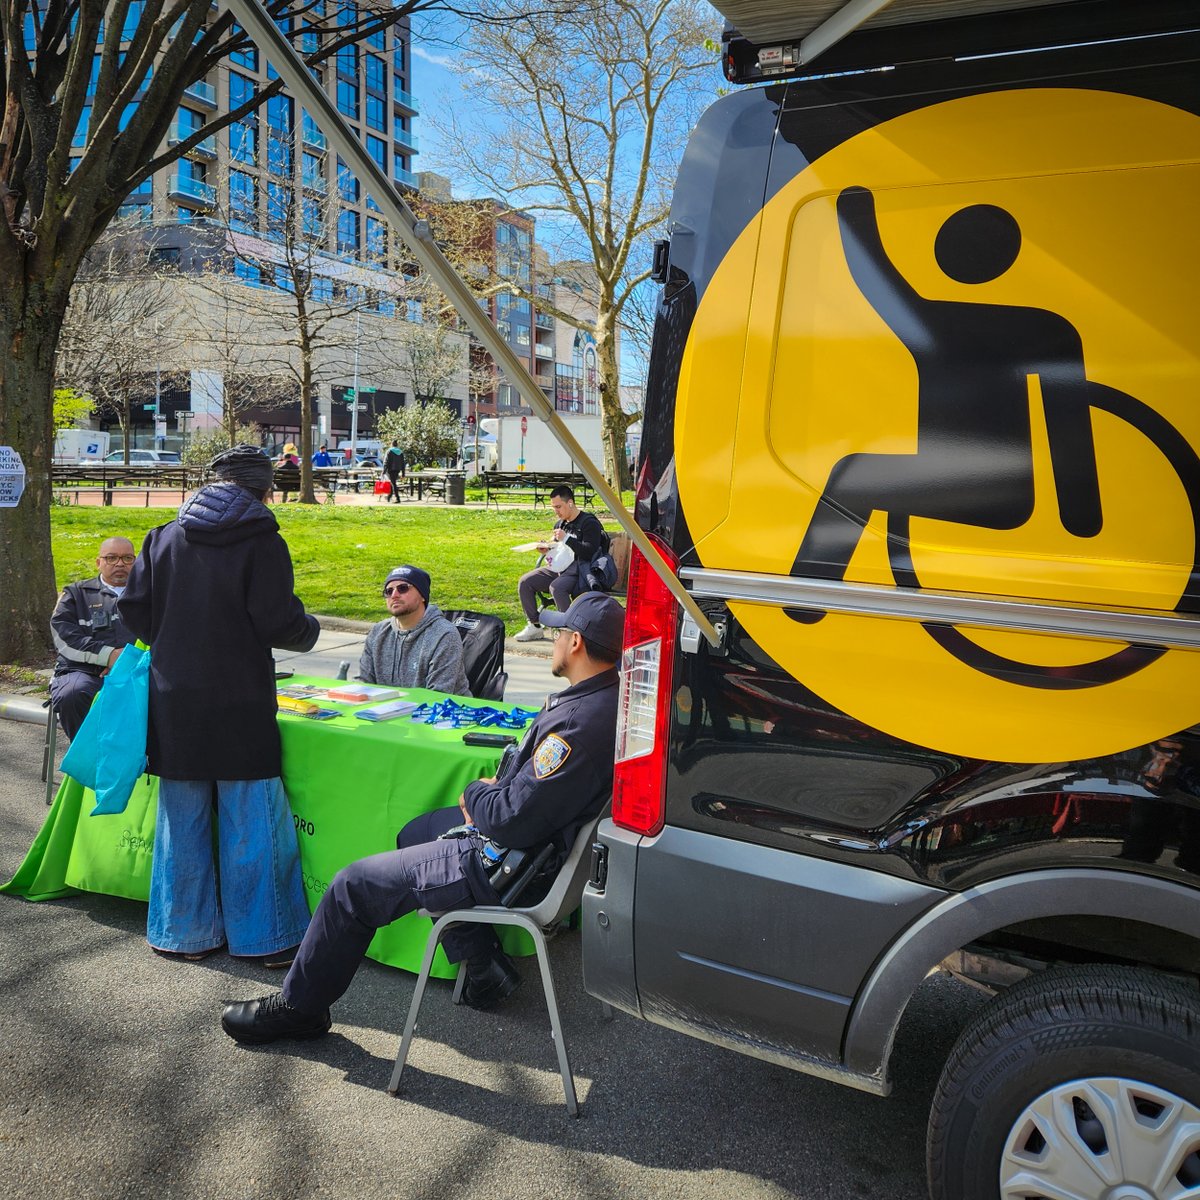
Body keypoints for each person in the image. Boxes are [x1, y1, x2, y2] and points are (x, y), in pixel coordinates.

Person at [220, 592, 625, 1044]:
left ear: (575, 642)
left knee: (350, 887)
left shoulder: (579, 726)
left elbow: (510, 820)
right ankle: (483, 964)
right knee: (415, 831)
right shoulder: (605, 700)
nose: (551, 639)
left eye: (557, 632)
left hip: (503, 860)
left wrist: (477, 793)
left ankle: (300, 1009)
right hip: (529, 850)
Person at [119, 444, 320, 965]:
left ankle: (182, 933)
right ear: (263, 489)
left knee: (180, 819)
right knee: (251, 821)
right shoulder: (262, 540)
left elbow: (133, 609)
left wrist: (172, 640)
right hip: (239, 698)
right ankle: (266, 938)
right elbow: (279, 622)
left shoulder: (163, 536)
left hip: (175, 697)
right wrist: (309, 630)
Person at [49, 536, 139, 740]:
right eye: (111, 558)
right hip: (84, 670)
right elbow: (64, 639)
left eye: (127, 558)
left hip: (139, 669)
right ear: (98, 562)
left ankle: (150, 766)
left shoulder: (149, 594)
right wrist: (108, 656)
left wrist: (126, 662)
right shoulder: (75, 594)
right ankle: (90, 763)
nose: (119, 563)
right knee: (72, 694)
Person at [357, 565, 470, 695]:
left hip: (442, 712)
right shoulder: (378, 632)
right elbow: (364, 685)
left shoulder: (444, 635)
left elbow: (438, 696)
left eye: (403, 588)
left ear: (423, 596)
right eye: (388, 591)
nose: (394, 595)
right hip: (386, 712)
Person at [515, 485, 605, 641]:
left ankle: (570, 631)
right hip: (558, 567)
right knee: (525, 582)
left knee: (557, 587)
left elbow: (589, 552)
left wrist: (567, 539)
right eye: (553, 507)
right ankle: (534, 625)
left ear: (570, 503)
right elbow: (559, 548)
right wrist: (547, 548)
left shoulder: (589, 522)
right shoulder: (560, 524)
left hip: (580, 569)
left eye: (558, 507)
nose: (556, 511)